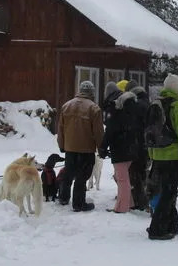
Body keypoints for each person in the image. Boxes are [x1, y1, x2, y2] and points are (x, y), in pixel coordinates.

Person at [147, 74, 178, 240]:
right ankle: (157, 229)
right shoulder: (177, 105)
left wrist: (152, 154)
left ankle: (171, 225)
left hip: (158, 155)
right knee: (168, 194)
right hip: (172, 156)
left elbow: (150, 132)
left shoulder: (157, 103)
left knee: (167, 192)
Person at [57, 80, 104, 212]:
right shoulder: (94, 109)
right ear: (92, 93)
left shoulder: (66, 106)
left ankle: (63, 197)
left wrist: (62, 145)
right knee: (82, 177)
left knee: (68, 173)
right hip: (86, 149)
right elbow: (98, 132)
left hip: (70, 148)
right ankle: (78, 203)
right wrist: (101, 148)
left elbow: (60, 129)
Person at [99, 90, 139, 213]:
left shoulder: (117, 114)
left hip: (119, 150)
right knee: (121, 177)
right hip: (131, 149)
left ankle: (122, 208)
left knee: (122, 179)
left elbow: (109, 132)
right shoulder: (133, 113)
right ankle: (129, 203)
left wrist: (103, 147)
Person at [130, 86, 151, 211]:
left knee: (136, 173)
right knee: (144, 172)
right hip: (147, 144)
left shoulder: (137, 106)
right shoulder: (149, 105)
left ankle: (139, 200)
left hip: (137, 143)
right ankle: (145, 199)